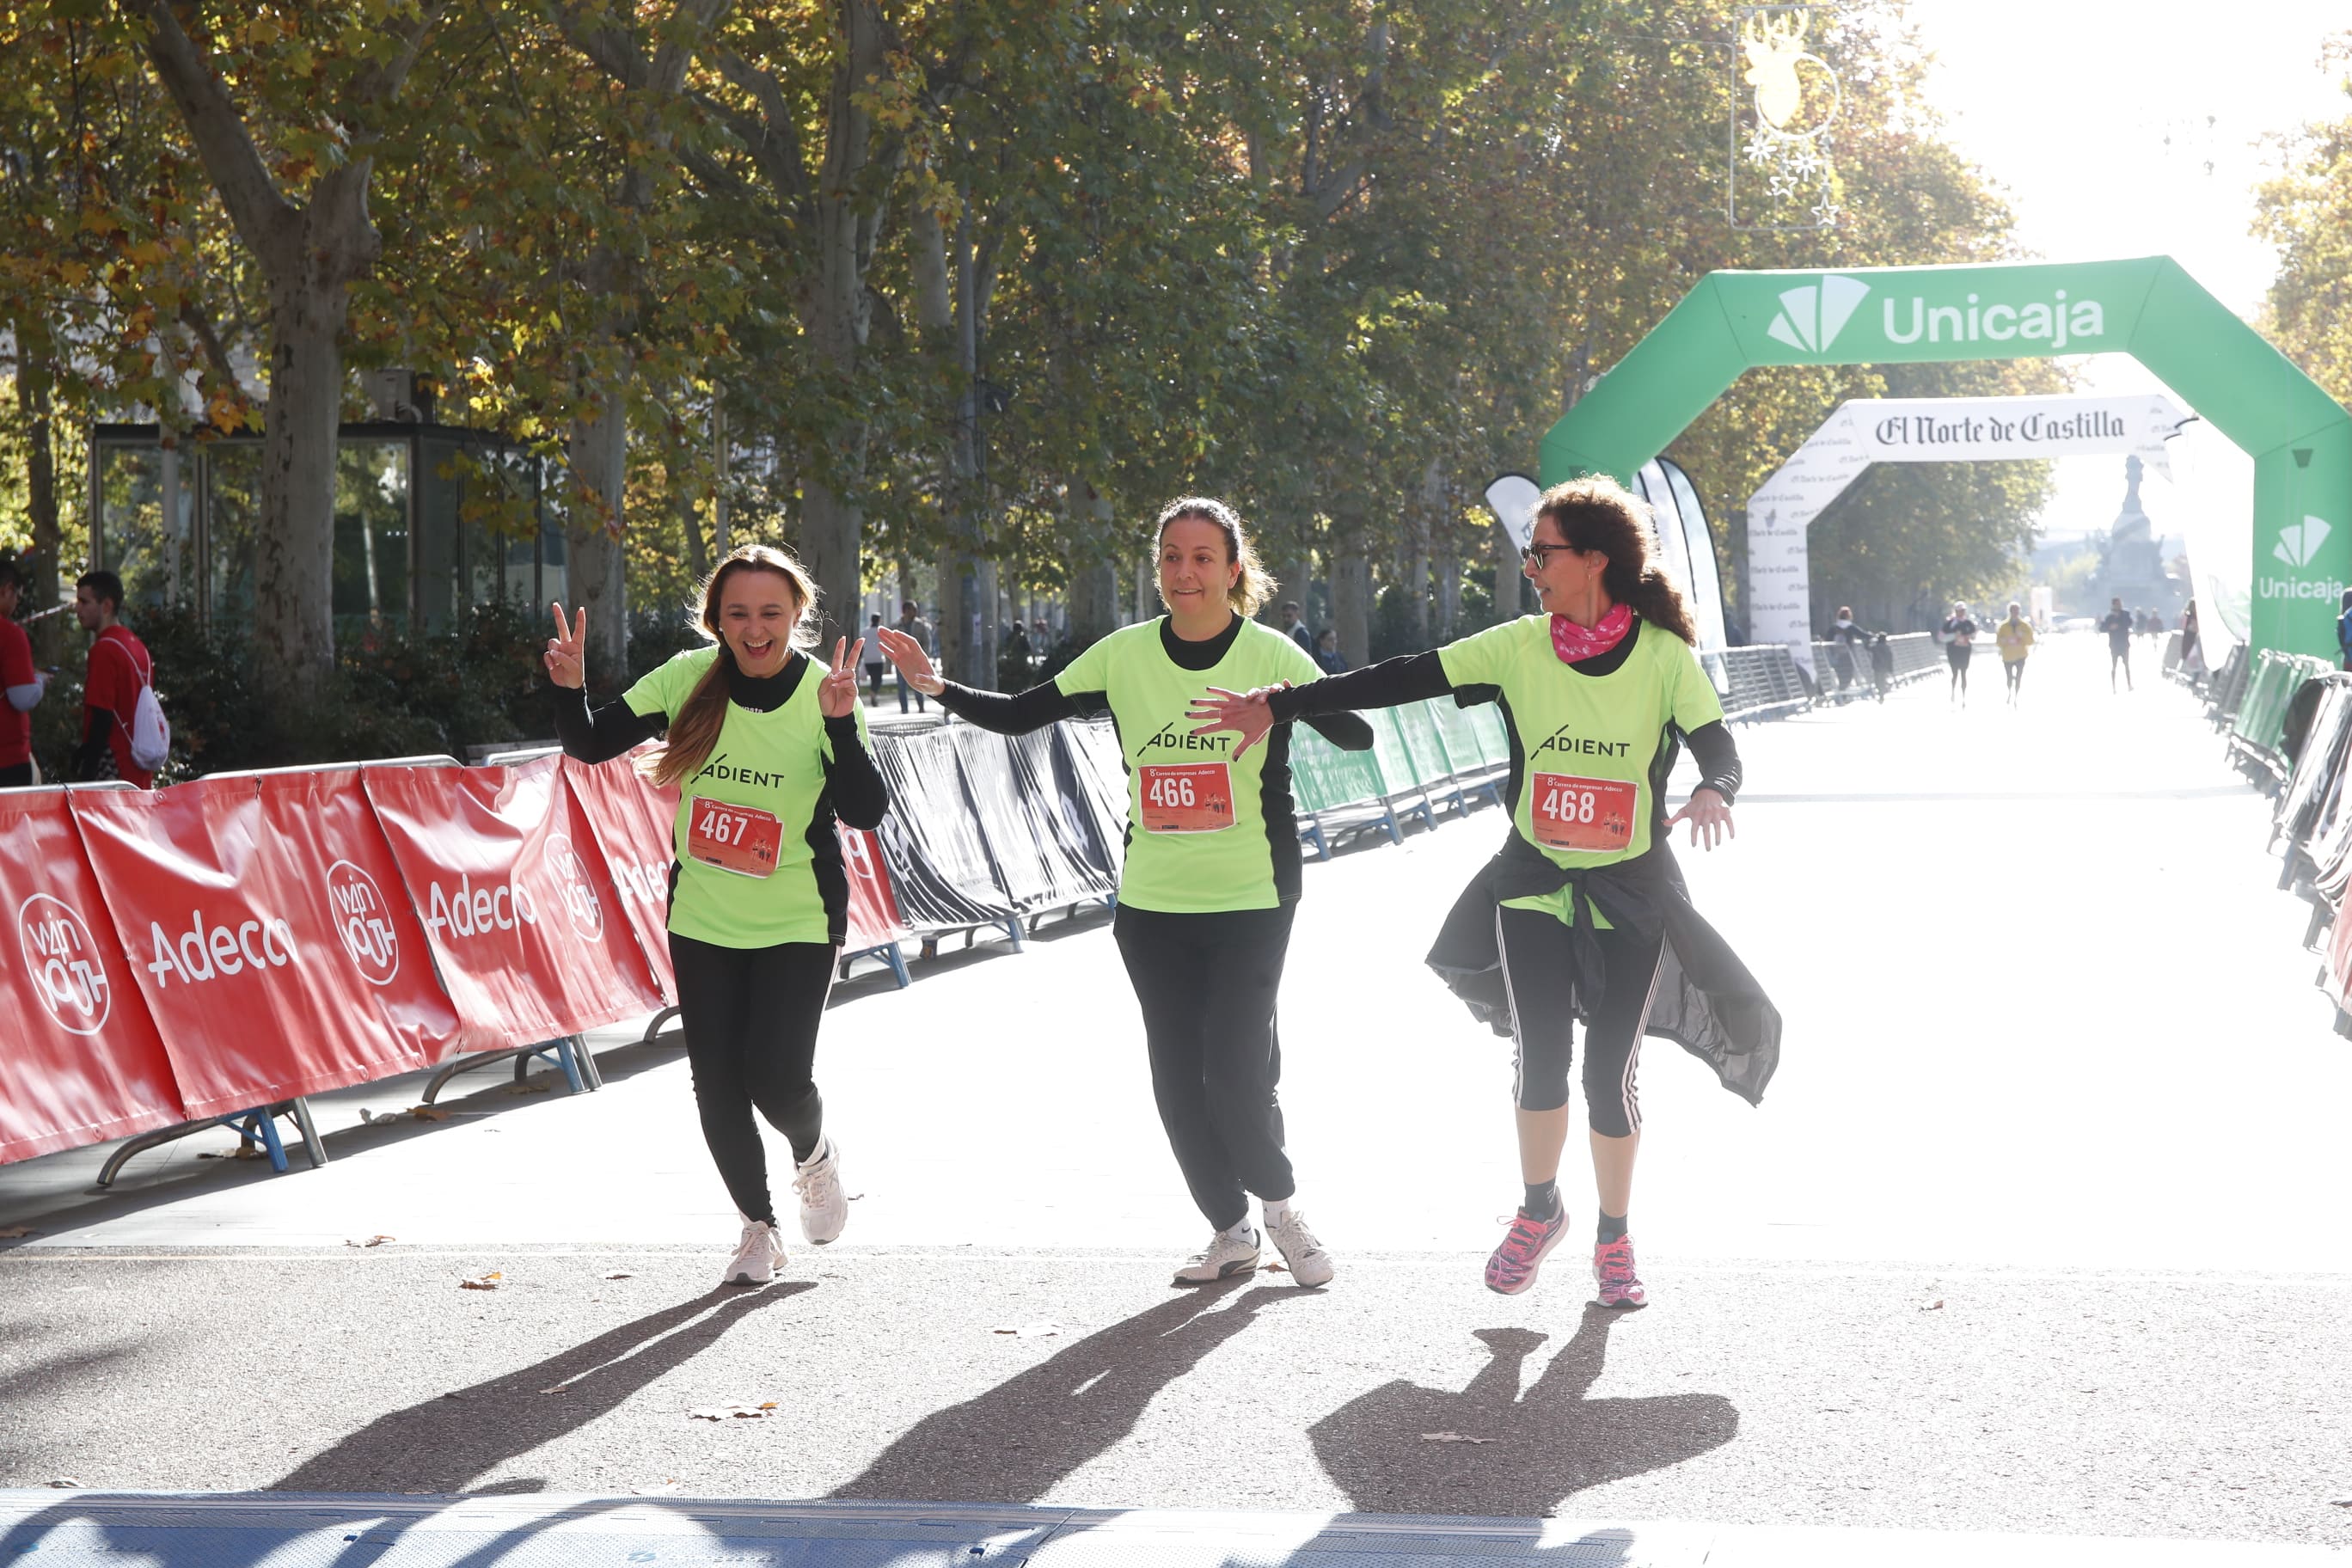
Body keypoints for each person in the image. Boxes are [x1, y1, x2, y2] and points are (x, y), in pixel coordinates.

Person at [1190, 476, 1779, 1309]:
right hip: (1532, 880)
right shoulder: (1516, 646)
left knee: (1611, 1072)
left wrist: (1715, 788)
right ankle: (1540, 1210)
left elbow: (1718, 747)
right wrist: (1284, 703)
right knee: (1539, 1056)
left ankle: (1615, 1237)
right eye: (1529, 552)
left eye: (1544, 552)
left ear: (1594, 561)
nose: (1531, 565)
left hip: (1631, 887)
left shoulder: (1660, 656)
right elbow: (1398, 678)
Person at [878, 497, 1375, 1289]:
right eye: (1173, 557)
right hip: (1153, 905)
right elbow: (1021, 715)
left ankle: (1283, 1213)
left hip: (1253, 894)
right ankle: (1230, 1230)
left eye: (1204, 558)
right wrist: (934, 685)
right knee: (1178, 1079)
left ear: (1233, 569)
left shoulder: (1270, 650)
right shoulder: (1124, 655)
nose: (1186, 573)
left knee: (1237, 1073)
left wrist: (1280, 702)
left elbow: (1357, 732)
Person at [546, 544, 886, 1289]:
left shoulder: (823, 693)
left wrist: (836, 725)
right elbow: (591, 743)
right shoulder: (686, 678)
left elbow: (866, 812)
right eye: (739, 614)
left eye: (771, 613)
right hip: (704, 914)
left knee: (776, 1075)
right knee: (716, 1081)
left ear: (797, 616)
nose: (755, 628)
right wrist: (570, 689)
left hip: (799, 913)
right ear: (717, 621)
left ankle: (813, 1153)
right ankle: (757, 1229)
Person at [71, 570, 156, 787]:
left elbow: (102, 714)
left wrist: (87, 771)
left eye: (84, 601)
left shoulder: (104, 650)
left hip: (113, 767)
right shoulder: (137, 645)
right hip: (139, 765)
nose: (77, 608)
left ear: (106, 606)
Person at [0, 560, 46, 787]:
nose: (16, 603)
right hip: (7, 759)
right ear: (6, 590)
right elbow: (22, 697)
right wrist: (39, 680)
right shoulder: (10, 635)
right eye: (16, 596)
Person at [893, 600, 934, 713]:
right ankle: (904, 710)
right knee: (901, 687)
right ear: (905, 611)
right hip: (901, 661)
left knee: (919, 685)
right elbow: (892, 644)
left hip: (916, 661)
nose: (916, 612)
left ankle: (921, 708)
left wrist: (924, 657)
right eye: (913, 609)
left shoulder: (921, 625)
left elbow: (927, 642)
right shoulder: (896, 626)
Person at [1994, 602, 2035, 706]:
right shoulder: (2003, 626)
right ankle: (2009, 692)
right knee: (2009, 676)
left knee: (2019, 676)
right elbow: (1998, 642)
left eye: (2017, 611)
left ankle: (2016, 695)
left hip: (2021, 655)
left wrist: (2022, 636)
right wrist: (2004, 641)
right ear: (2010, 612)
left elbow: (2030, 641)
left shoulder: (2025, 626)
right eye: (2013, 611)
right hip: (2008, 655)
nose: (2015, 613)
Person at [1823, 606, 1866, 697]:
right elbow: (1862, 634)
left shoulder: (1834, 628)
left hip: (1836, 655)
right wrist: (1873, 635)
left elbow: (1827, 639)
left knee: (1840, 674)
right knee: (1849, 674)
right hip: (1848, 656)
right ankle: (1842, 693)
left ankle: (1841, 693)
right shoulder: (1850, 627)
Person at [1939, 602, 1977, 707]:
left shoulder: (1968, 623)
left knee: (1964, 673)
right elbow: (1942, 637)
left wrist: (1967, 637)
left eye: (1963, 610)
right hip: (1953, 651)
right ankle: (1953, 692)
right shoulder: (1950, 623)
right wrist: (1954, 636)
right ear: (1956, 611)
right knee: (1955, 673)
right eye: (1959, 610)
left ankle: (1964, 695)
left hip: (1964, 651)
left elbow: (1974, 635)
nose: (1961, 612)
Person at [2100, 596, 2135, 692]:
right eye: (2117, 604)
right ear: (2114, 605)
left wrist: (2119, 623)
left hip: (2124, 643)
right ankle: (2114, 687)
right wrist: (2110, 627)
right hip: (2114, 644)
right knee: (2114, 666)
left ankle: (2129, 685)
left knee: (2127, 665)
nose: (2120, 605)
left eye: (2120, 603)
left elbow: (2129, 623)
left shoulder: (2126, 614)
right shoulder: (2109, 617)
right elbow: (2102, 628)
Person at [862, 613, 889, 704]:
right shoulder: (881, 631)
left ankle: (873, 695)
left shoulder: (865, 631)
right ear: (879, 620)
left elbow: (862, 644)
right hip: (878, 658)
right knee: (878, 680)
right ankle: (873, 693)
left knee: (873, 679)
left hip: (868, 659)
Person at [1865, 631, 1893, 701]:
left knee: (1877, 681)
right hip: (1884, 667)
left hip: (1877, 667)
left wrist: (1867, 639)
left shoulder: (1876, 647)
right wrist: (1890, 668)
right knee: (1883, 680)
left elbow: (1867, 648)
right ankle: (1882, 693)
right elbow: (1890, 658)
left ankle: (1881, 692)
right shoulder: (1887, 647)